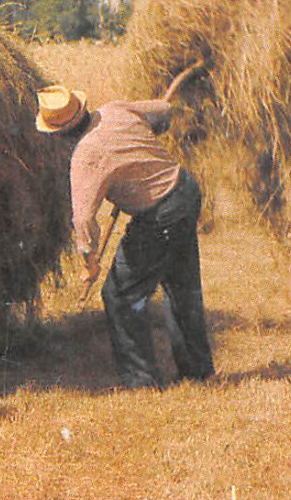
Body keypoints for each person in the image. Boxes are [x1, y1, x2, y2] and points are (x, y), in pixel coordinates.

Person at [36, 65, 211, 389]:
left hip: (160, 214)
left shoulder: (86, 157)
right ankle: (198, 372)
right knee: (181, 286)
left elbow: (84, 220)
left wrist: (89, 263)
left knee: (119, 294)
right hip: (185, 191)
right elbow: (163, 112)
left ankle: (140, 381)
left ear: (59, 133)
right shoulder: (114, 111)